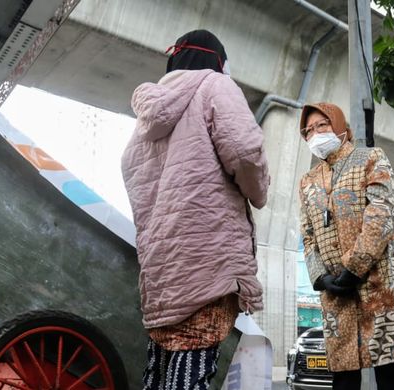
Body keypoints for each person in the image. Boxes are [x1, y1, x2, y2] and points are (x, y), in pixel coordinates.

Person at [121, 29, 269, 390]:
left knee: (159, 371)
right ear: (218, 61)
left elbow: (133, 177)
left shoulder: (144, 123)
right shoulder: (216, 86)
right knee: (192, 369)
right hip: (208, 259)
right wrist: (258, 192)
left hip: (162, 267)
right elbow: (246, 152)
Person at [297, 102, 394, 390]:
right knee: (343, 378)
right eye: (308, 131)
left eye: (322, 125)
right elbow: (307, 234)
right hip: (337, 292)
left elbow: (381, 214)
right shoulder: (307, 181)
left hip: (382, 283)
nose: (315, 134)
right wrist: (322, 278)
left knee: (392, 375)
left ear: (341, 126)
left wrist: (354, 269)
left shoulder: (371, 158)